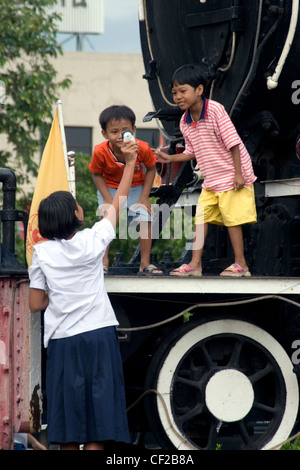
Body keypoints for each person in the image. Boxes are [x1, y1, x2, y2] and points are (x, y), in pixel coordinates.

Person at [28, 141, 138, 450]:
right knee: (96, 429)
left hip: (64, 341)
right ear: (75, 215)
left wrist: (55, 297)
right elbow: (118, 202)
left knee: (68, 428)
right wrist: (129, 164)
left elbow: (36, 303)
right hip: (99, 336)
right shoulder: (94, 240)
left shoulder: (41, 252)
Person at [155, 64, 257, 277]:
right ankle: (195, 264)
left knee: (232, 220)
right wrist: (170, 157)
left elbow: (233, 143)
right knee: (200, 218)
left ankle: (241, 265)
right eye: (174, 93)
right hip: (211, 178)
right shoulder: (185, 121)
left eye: (183, 91)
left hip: (231, 174)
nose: (178, 97)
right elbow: (192, 151)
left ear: (199, 90)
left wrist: (238, 174)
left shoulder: (215, 110)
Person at [89, 104, 162, 276]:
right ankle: (103, 261)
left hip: (136, 187)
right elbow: (97, 175)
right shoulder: (100, 151)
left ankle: (145, 264)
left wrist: (144, 197)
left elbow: (151, 169)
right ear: (105, 134)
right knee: (106, 219)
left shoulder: (141, 148)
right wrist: (107, 199)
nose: (120, 136)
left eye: (125, 131)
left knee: (145, 219)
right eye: (114, 132)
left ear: (134, 129)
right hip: (110, 187)